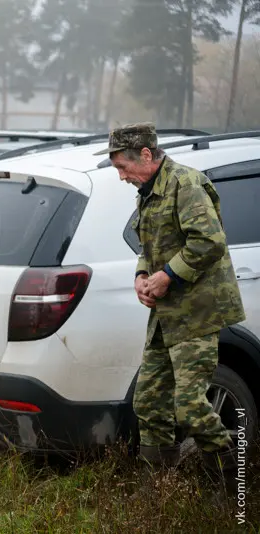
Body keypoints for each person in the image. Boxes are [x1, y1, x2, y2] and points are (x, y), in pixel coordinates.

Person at [94, 123, 245, 495]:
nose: (121, 176)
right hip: (165, 316)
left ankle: (231, 484)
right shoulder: (147, 191)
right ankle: (158, 491)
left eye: (122, 167)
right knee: (148, 401)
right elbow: (148, 245)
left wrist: (166, 277)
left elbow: (210, 242)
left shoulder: (186, 185)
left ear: (146, 154)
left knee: (190, 407)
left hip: (198, 312)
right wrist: (142, 274)